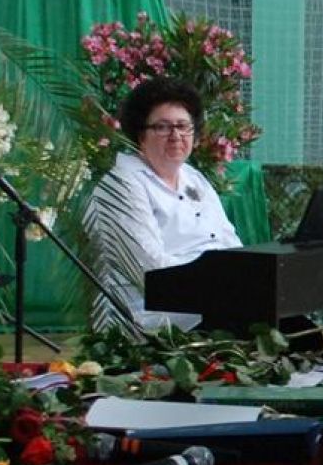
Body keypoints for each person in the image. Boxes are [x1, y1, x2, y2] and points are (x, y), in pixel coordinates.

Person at [83, 77, 243, 331]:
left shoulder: (193, 177)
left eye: (183, 126)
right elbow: (151, 271)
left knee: (290, 321)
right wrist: (222, 283)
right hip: (154, 318)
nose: (175, 136)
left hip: (214, 300)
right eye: (162, 127)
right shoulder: (121, 184)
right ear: (140, 135)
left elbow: (231, 243)